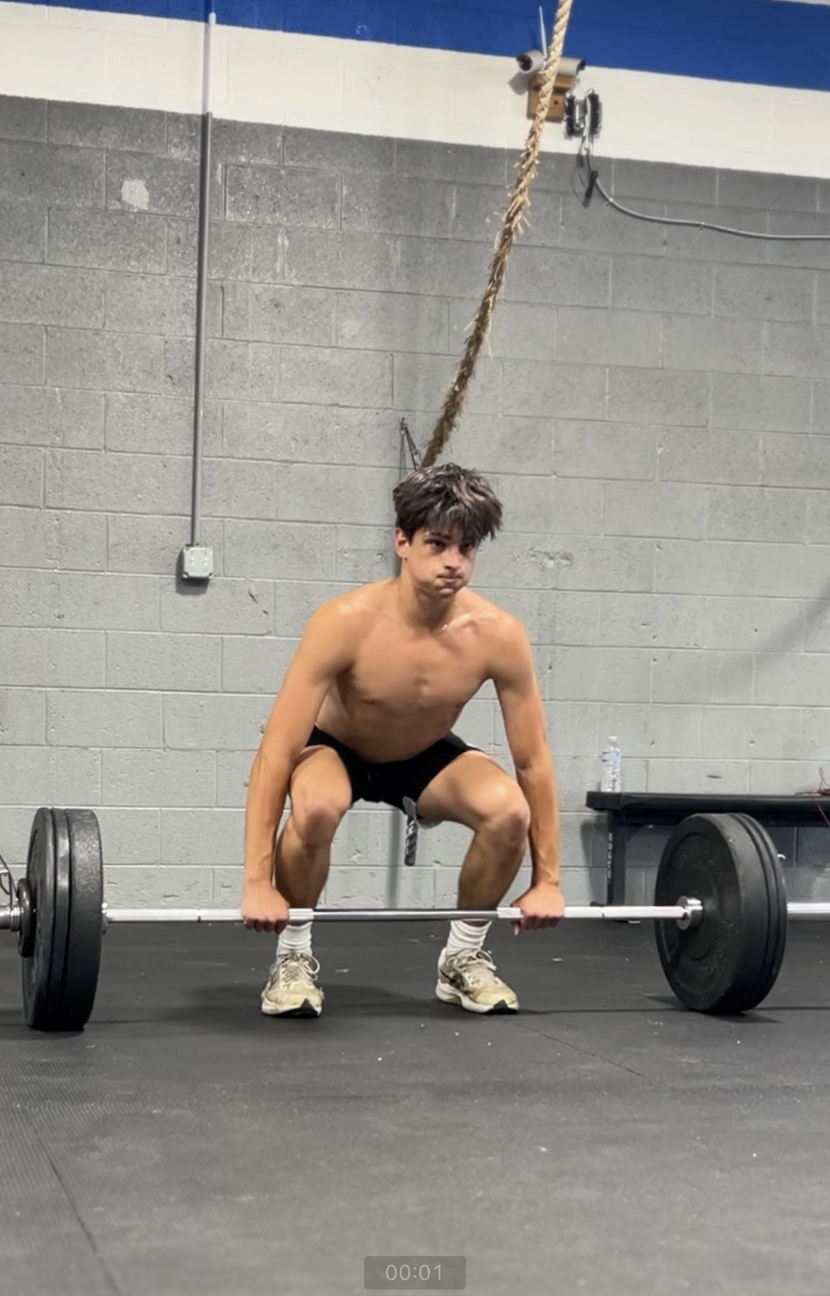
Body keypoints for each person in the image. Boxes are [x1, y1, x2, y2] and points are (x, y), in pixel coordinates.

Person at [241, 463, 565, 1017]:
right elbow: (276, 751)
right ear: (402, 543)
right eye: (437, 544)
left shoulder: (499, 634)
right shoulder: (344, 621)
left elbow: (533, 760)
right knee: (316, 808)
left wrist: (548, 880)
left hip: (422, 755)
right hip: (336, 749)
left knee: (509, 811)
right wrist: (256, 881)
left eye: (466, 548)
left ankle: (462, 958)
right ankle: (292, 957)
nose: (453, 562)